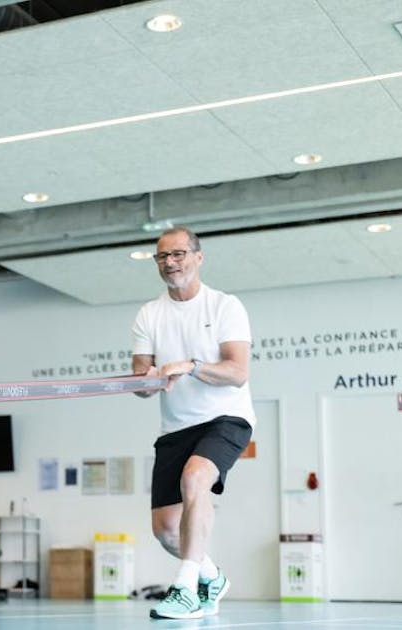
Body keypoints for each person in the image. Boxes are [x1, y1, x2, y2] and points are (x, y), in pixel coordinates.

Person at [130, 227, 255, 620]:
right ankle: (211, 577)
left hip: (226, 418)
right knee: (166, 529)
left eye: (179, 254)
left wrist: (192, 366)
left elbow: (237, 372)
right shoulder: (149, 314)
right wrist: (147, 382)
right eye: (162, 257)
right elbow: (142, 383)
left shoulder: (224, 306)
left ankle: (184, 588)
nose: (170, 263)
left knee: (195, 477)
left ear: (198, 257)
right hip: (176, 427)